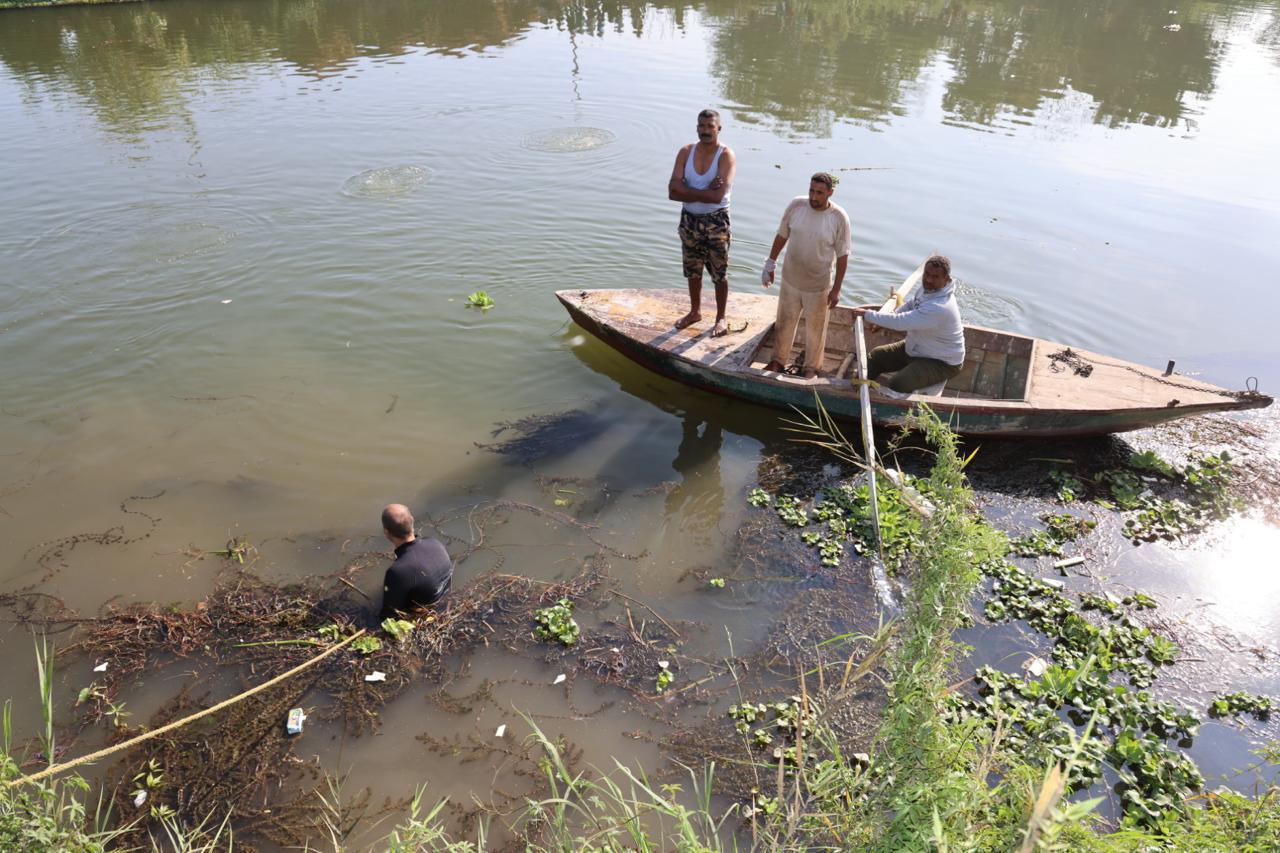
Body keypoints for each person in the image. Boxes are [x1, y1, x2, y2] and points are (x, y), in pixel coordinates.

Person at [760, 172, 852, 379]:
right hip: (791, 278)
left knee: (815, 329)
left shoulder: (838, 218)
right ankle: (777, 360)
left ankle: (811, 367)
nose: (813, 197)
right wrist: (770, 263)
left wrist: (836, 289)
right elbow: (782, 234)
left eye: (819, 193)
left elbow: (843, 255)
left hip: (818, 285)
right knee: (784, 322)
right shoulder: (796, 205)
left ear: (830, 193)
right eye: (811, 190)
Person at [852, 254, 966, 393]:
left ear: (946, 280)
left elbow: (901, 323)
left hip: (941, 362)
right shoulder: (928, 290)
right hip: (918, 347)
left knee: (899, 383)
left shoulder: (940, 307)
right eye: (927, 274)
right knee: (876, 357)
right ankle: (857, 391)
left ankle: (888, 408)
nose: (929, 280)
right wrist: (887, 317)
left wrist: (867, 315)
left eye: (935, 277)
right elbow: (911, 304)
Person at [668, 108, 736, 337]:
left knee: (719, 272)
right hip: (689, 219)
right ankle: (695, 311)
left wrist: (687, 190)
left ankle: (721, 318)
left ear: (719, 128)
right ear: (697, 127)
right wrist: (704, 191)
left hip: (716, 221)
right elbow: (672, 192)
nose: (706, 131)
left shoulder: (725, 155)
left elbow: (717, 197)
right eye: (702, 126)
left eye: (710, 126)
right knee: (692, 269)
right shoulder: (686, 152)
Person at [377, 503, 453, 620]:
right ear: (412, 521)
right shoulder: (434, 542)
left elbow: (390, 613)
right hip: (445, 599)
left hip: (422, 612)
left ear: (386, 532)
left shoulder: (397, 571)